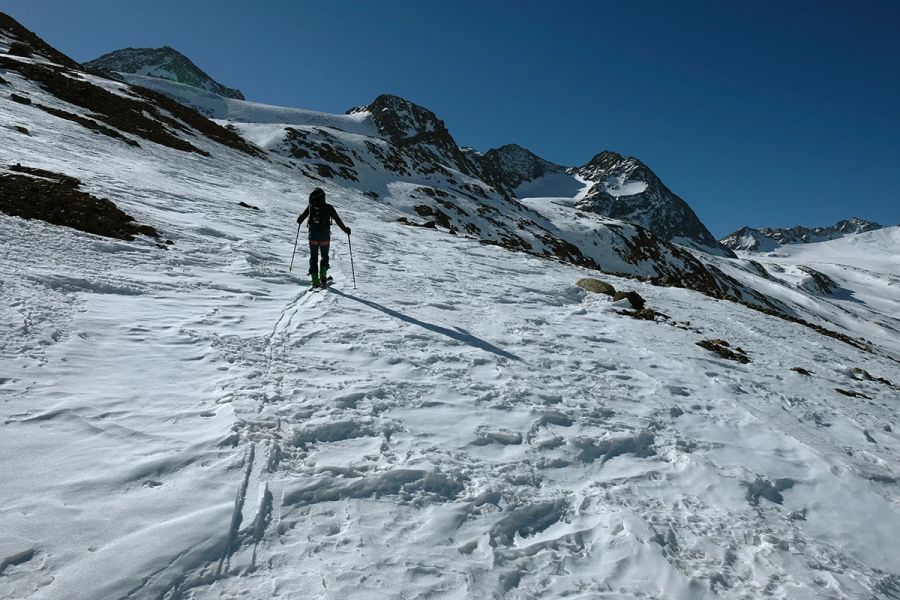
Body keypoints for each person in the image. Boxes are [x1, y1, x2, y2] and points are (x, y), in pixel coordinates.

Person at [296, 187, 350, 287]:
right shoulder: (329, 207)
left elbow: (300, 219)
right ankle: (323, 275)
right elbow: (338, 220)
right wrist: (346, 230)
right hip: (324, 235)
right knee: (324, 256)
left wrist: (300, 219)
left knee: (313, 257)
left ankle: (315, 280)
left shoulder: (310, 206)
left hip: (313, 235)